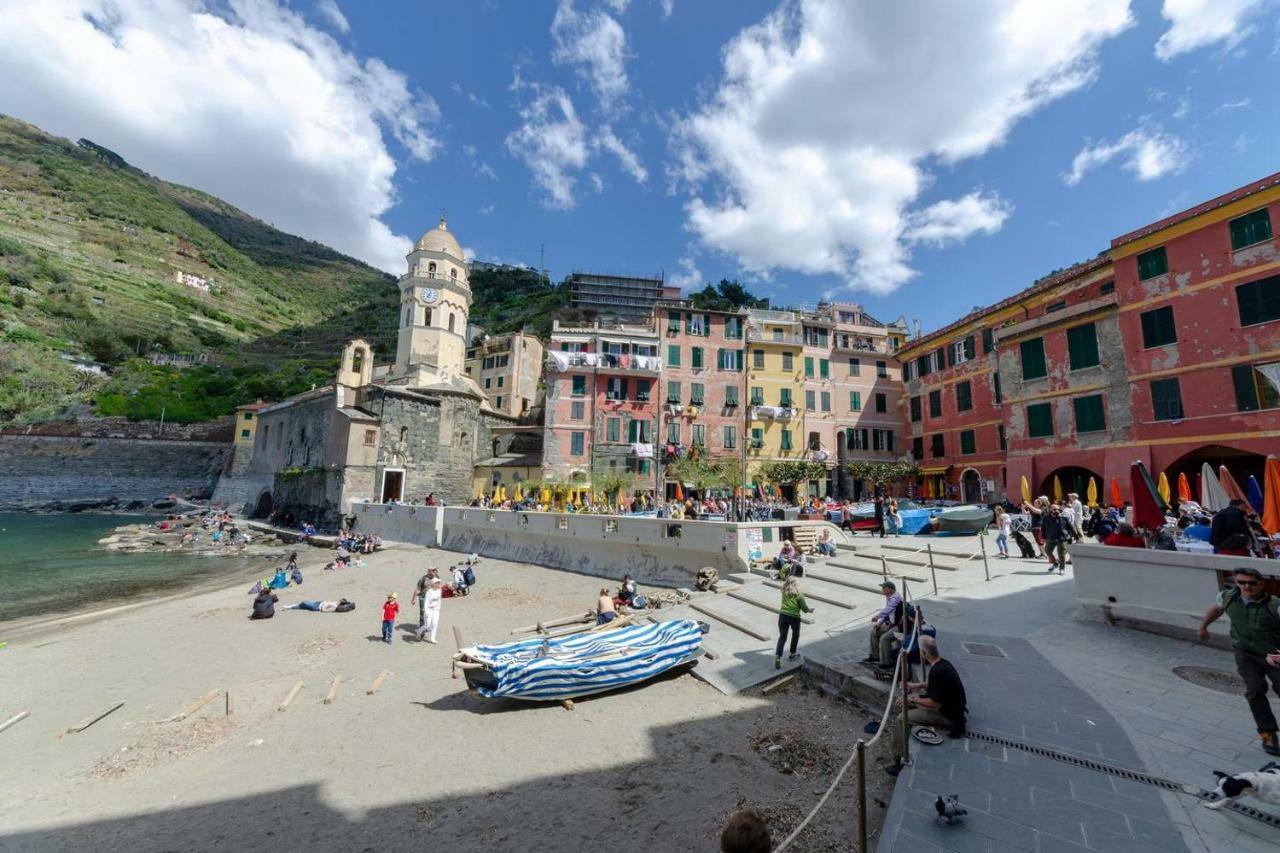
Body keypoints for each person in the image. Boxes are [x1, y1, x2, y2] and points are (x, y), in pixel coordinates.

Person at [1198, 567, 1280, 756]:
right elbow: (1216, 609)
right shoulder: (1228, 597)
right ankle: (1268, 734)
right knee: (1255, 690)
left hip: (1273, 653)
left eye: (1251, 583)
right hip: (1245, 652)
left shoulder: (1274, 605)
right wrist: (1203, 627)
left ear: (1261, 584)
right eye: (1241, 582)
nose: (1246, 586)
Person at [893, 637, 968, 760]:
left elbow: (935, 704)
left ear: (923, 653)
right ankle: (906, 732)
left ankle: (900, 757)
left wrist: (913, 699)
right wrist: (915, 685)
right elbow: (933, 684)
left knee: (901, 718)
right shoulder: (943, 663)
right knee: (904, 702)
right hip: (952, 708)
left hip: (947, 715)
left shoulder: (937, 672)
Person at [774, 576, 815, 669]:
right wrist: (810, 610)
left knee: (782, 637)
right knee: (795, 634)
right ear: (796, 584)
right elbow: (804, 608)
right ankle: (792, 654)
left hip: (783, 615)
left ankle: (778, 656)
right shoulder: (799, 594)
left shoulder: (784, 592)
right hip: (794, 617)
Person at [863, 581, 903, 669]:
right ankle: (875, 656)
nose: (882, 590)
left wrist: (877, 617)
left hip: (898, 625)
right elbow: (887, 613)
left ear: (889, 589)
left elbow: (888, 610)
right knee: (874, 631)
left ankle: (886, 663)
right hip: (890, 622)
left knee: (884, 638)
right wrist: (879, 622)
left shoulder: (895, 598)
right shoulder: (889, 597)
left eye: (884, 588)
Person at [1042, 504, 1068, 574]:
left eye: (1058, 509)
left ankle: (1062, 569)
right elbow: (1043, 528)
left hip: (1061, 538)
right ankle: (1055, 563)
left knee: (1061, 554)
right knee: (1047, 551)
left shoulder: (1062, 517)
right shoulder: (1046, 517)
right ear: (1050, 509)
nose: (1056, 511)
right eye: (1054, 509)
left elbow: (1069, 527)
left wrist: (1075, 536)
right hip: (1051, 537)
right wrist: (1043, 537)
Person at [416, 579, 442, 643]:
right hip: (429, 610)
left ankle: (433, 638)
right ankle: (419, 632)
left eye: (439, 583)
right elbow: (426, 602)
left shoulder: (439, 591)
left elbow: (439, 600)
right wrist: (426, 612)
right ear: (433, 584)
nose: (439, 584)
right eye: (437, 583)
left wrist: (438, 609)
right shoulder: (429, 592)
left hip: (436, 610)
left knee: (435, 624)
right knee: (427, 626)